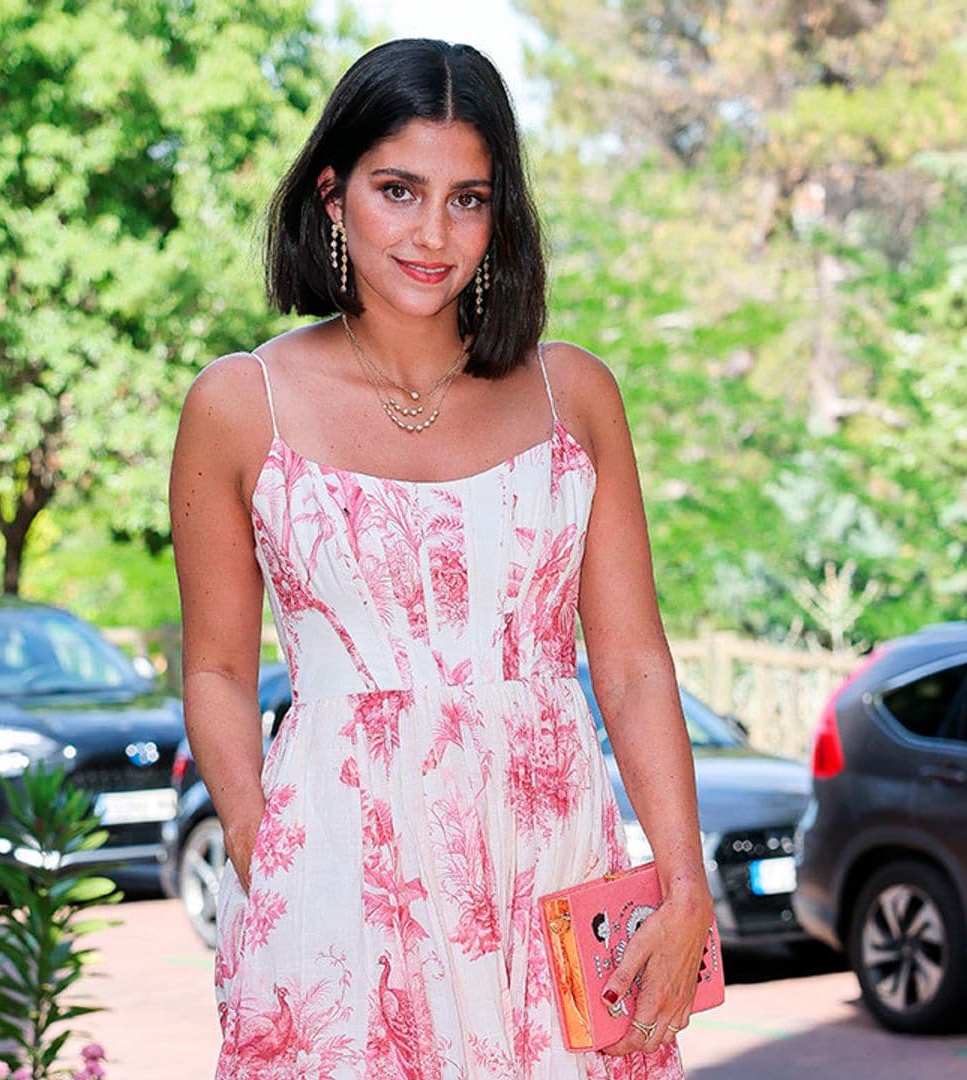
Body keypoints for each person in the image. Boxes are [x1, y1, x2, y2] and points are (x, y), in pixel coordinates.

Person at [169, 37, 710, 1079]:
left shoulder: (574, 395)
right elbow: (219, 671)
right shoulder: (242, 405)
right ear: (332, 194)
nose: (433, 232)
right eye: (398, 190)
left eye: (468, 198)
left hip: (555, 868)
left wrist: (683, 885)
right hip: (337, 873)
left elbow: (635, 664)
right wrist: (262, 853)